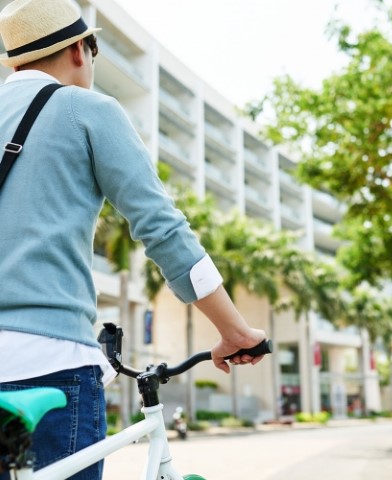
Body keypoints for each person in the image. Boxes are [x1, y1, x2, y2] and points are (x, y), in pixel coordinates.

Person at [0, 0, 266, 478]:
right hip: (50, 362)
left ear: (17, 61)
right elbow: (162, 228)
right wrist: (234, 332)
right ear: (81, 50)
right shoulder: (86, 109)